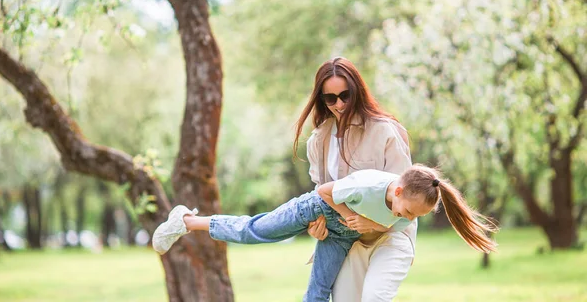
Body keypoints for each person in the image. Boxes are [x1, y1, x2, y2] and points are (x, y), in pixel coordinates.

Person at [152, 165, 498, 302]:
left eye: (414, 217)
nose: (407, 219)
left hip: (341, 236)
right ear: (397, 190)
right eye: (406, 211)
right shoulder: (368, 184)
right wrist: (350, 217)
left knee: (319, 291)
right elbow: (324, 191)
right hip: (317, 209)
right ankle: (186, 221)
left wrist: (370, 227)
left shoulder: (407, 214)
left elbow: (392, 225)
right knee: (257, 232)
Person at [294, 57, 416, 301]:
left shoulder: (384, 130)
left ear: (357, 92)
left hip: (390, 236)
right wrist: (316, 227)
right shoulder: (319, 140)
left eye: (345, 95)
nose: (339, 104)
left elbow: (410, 201)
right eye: (330, 98)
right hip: (348, 241)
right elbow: (322, 197)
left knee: (373, 298)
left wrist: (372, 224)